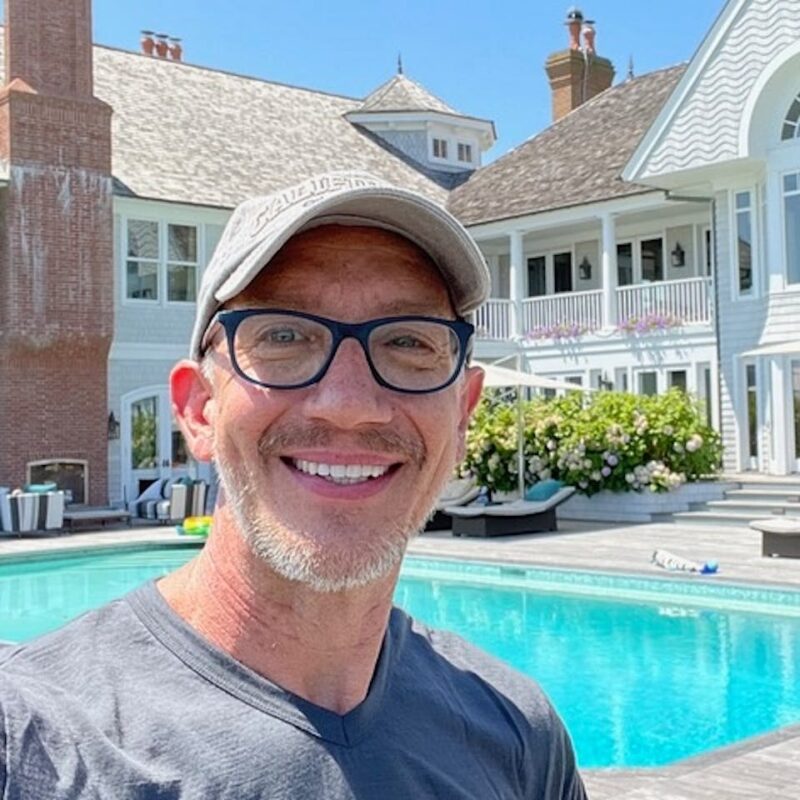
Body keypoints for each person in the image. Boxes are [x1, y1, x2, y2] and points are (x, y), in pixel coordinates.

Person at [0, 172, 587, 799]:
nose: (349, 404)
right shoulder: (34, 743)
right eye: (284, 336)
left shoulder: (519, 736)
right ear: (199, 409)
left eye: (409, 341)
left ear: (463, 416)